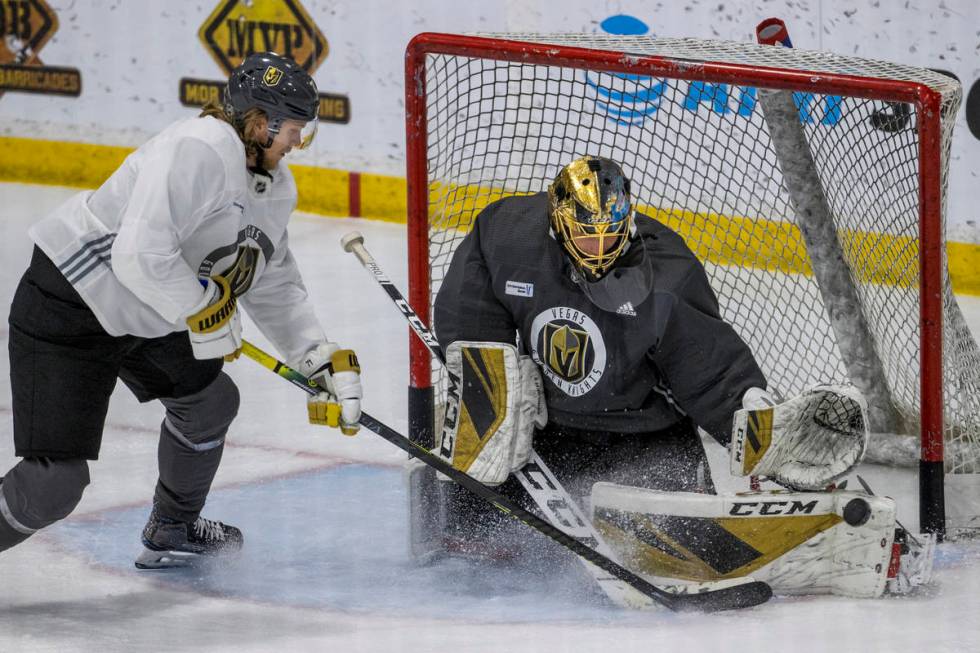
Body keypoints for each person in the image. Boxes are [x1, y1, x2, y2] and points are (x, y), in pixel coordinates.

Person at [0, 52, 362, 569]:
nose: (298, 142)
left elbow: (269, 276)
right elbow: (139, 255)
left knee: (211, 404)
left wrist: (315, 355)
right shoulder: (200, 149)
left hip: (148, 309)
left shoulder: (274, 186)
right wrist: (202, 309)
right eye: (293, 130)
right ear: (260, 123)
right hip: (75, 302)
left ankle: (173, 526)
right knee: (54, 484)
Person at [431, 155, 770, 553]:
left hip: (644, 436)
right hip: (550, 430)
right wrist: (495, 386)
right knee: (477, 530)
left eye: (610, 233)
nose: (598, 247)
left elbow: (714, 375)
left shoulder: (665, 275)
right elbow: (469, 311)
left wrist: (761, 446)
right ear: (558, 223)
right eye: (585, 235)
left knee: (667, 547)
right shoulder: (508, 237)